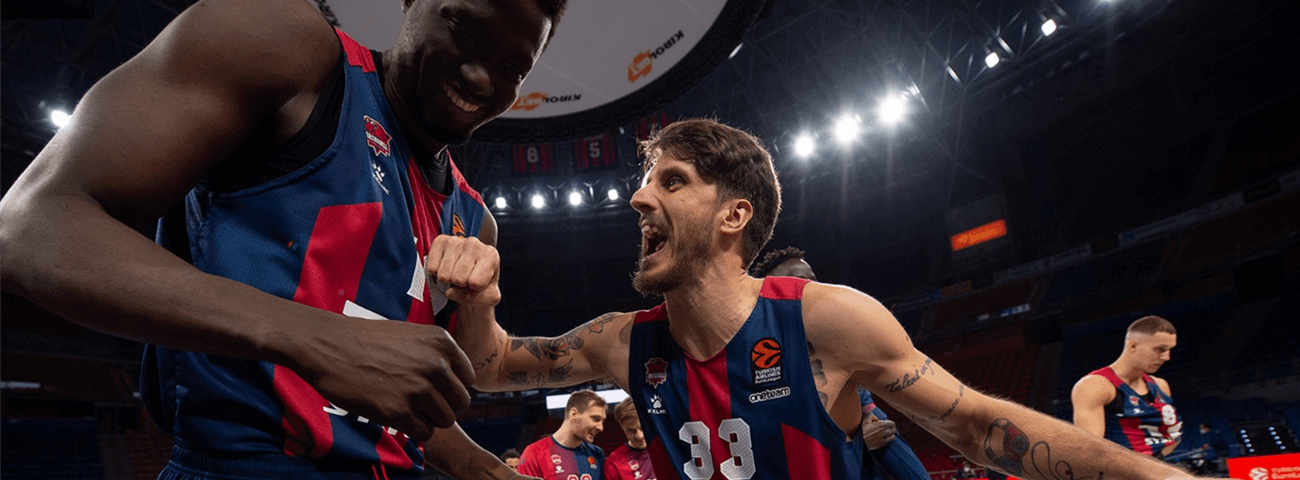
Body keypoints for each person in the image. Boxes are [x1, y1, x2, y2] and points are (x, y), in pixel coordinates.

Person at [427, 118, 1208, 480]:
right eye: (643, 181)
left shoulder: (822, 318)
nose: (637, 199)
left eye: (671, 181)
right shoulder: (622, 340)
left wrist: (1152, 479)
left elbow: (975, 425)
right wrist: (482, 299)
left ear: (734, 215)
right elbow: (490, 367)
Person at [0, 0, 566, 477]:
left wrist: (491, 471)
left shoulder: (473, 219)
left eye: (514, 67)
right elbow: (27, 227)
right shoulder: (285, 44)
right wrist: (318, 338)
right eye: (466, 29)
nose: (480, 77)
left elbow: (395, 397)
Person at [753, 247, 929, 480]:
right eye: (798, 283)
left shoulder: (835, 346)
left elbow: (874, 421)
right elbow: (771, 454)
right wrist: (857, 445)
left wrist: (864, 431)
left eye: (813, 281)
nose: (812, 289)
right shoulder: (759, 362)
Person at [1072, 316, 1183, 458]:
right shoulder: (1095, 386)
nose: (1166, 357)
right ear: (1133, 346)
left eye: (1169, 350)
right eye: (1160, 349)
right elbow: (1090, 453)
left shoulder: (1161, 385)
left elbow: (1169, 438)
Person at [518, 391, 607, 480]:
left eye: (602, 421)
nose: (601, 427)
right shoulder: (534, 454)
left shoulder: (597, 454)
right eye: (596, 419)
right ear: (574, 414)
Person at [604, 400, 657, 480]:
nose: (639, 436)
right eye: (631, 431)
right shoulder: (613, 463)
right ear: (622, 428)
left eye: (643, 428)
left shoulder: (667, 450)